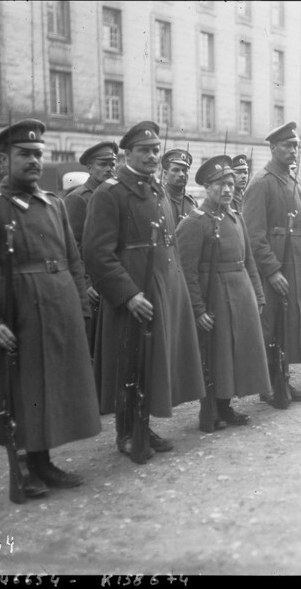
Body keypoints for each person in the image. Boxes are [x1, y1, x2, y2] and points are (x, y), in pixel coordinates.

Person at [0, 119, 100, 499]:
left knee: (46, 388)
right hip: (16, 312)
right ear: (3, 159)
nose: (34, 161)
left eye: (38, 154)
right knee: (19, 391)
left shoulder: (52, 204)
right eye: (25, 154)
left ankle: (43, 462)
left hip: (57, 310)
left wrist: (80, 307)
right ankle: (22, 471)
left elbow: (73, 259)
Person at [83, 121, 206, 461]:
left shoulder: (157, 191)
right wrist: (127, 294)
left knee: (152, 361)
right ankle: (126, 433)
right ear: (127, 154)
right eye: (144, 151)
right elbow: (97, 253)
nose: (152, 156)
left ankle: (143, 424)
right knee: (129, 362)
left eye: (155, 150)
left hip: (163, 288)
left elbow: (171, 244)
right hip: (132, 293)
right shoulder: (110, 193)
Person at [176, 155, 270, 432]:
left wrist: (258, 294)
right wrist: (198, 309)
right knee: (215, 356)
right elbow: (186, 271)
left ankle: (226, 406)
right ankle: (211, 411)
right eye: (220, 184)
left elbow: (249, 259)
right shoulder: (195, 222)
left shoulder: (236, 217)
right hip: (214, 296)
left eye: (230, 183)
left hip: (240, 295)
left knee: (235, 353)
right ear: (207, 187)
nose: (227, 189)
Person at [241, 121, 301, 405]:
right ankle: (269, 386)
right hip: (276, 265)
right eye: (287, 146)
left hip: (298, 263)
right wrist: (272, 270)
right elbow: (253, 236)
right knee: (271, 324)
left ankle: (284, 380)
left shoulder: (293, 180)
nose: (293, 151)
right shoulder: (261, 183)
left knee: (288, 323)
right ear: (272, 148)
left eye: (295, 146)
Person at [63, 141, 118, 357]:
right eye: (103, 164)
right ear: (90, 168)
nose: (109, 169)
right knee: (91, 348)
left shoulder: (116, 195)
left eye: (112, 164)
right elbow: (71, 246)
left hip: (113, 281)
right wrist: (84, 284)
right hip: (93, 288)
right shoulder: (78, 199)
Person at [161, 148, 197, 224]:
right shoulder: (159, 199)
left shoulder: (191, 203)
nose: (181, 174)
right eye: (176, 170)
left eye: (185, 170)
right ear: (165, 174)